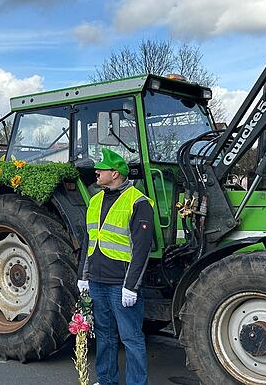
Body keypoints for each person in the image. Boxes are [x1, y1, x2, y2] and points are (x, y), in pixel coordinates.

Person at [77, 148, 154, 385]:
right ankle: (106, 380)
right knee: (105, 336)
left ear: (116, 173)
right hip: (98, 282)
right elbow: (89, 241)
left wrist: (131, 286)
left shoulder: (138, 202)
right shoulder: (95, 199)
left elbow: (142, 250)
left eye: (102, 169)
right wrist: (84, 277)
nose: (97, 172)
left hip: (121, 285)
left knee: (131, 339)